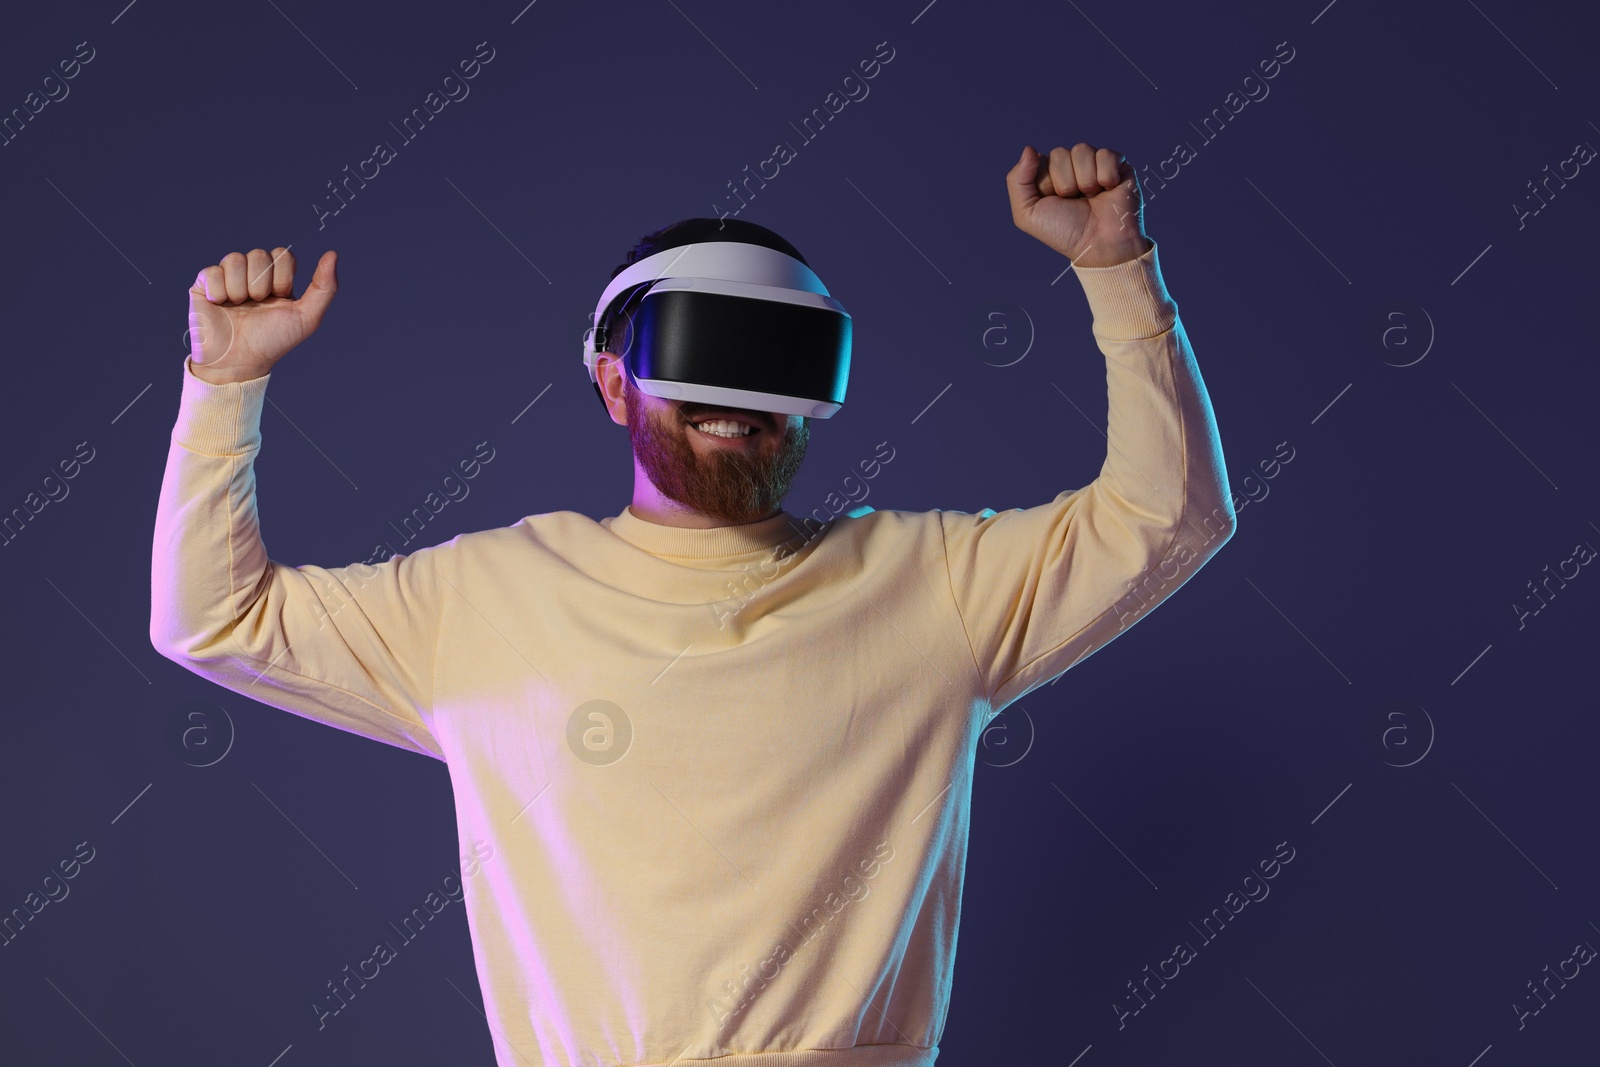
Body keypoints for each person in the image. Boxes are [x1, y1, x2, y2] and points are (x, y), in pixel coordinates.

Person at [150, 141, 1236, 1067]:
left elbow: (1170, 514)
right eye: (702, 351)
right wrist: (225, 386)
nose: (741, 400)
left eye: (778, 357)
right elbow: (215, 618)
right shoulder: (480, 598)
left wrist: (1117, 271)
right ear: (615, 382)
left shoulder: (933, 583)